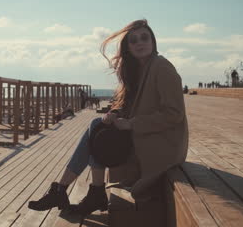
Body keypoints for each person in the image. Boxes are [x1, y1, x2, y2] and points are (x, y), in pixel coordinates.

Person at [28, 19, 189, 216]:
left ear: (153, 41)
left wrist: (131, 124)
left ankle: (71, 191)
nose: (140, 43)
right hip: (147, 136)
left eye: (144, 38)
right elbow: (131, 106)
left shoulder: (162, 67)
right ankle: (79, 192)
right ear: (127, 47)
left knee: (96, 129)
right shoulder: (140, 70)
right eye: (134, 40)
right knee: (99, 125)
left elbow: (174, 114)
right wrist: (115, 113)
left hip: (164, 144)